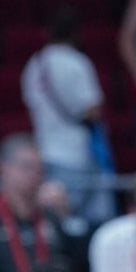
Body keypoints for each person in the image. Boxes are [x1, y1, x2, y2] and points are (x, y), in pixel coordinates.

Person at [21, 11, 116, 225]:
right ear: (76, 34)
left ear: (46, 33)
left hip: (44, 152)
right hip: (75, 154)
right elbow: (93, 110)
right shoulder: (76, 62)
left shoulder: (34, 65)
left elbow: (30, 106)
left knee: (53, 219)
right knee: (75, 220)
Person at [0, 134, 86, 272]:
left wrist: (67, 216)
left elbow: (79, 267)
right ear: (4, 169)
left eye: (40, 169)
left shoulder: (52, 216)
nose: (35, 174)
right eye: (27, 167)